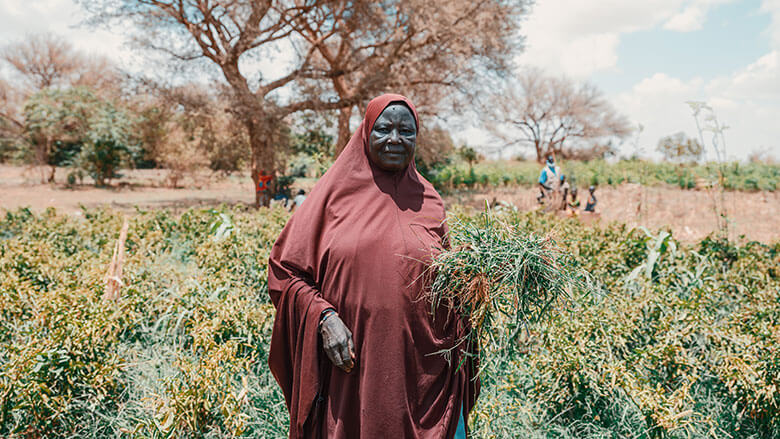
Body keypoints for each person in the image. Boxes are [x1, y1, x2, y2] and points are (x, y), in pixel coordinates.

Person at [267, 94, 478, 439]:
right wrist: (324, 319)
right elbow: (285, 271)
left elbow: (447, 283)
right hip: (353, 370)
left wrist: (475, 283)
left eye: (406, 131)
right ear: (366, 133)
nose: (395, 139)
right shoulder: (332, 195)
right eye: (384, 129)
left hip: (422, 376)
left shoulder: (429, 201)